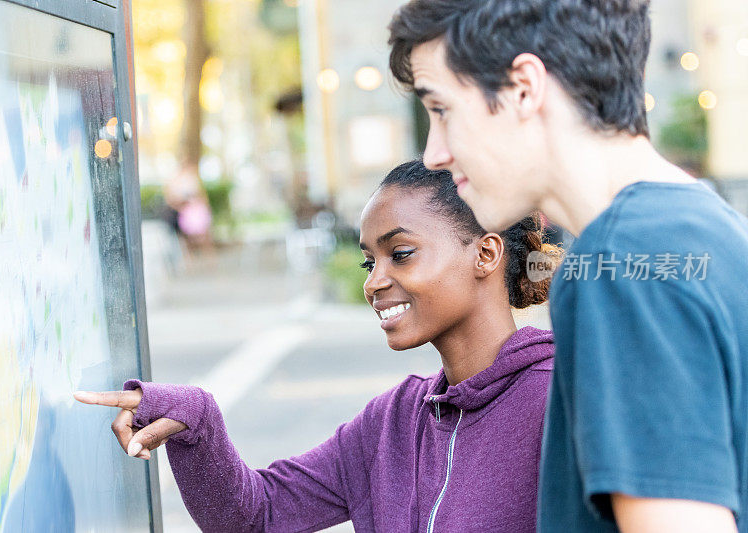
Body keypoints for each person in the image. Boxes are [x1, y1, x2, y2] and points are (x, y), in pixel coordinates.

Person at [387, 2, 748, 532]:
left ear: (524, 88)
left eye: (441, 110)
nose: (433, 152)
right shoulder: (712, 227)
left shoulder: (614, 264)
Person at [76, 161, 558, 532]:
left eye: (401, 254)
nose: (375, 283)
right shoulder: (391, 423)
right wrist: (196, 418)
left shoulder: (562, 401)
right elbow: (256, 517)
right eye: (368, 263)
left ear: (486, 254)